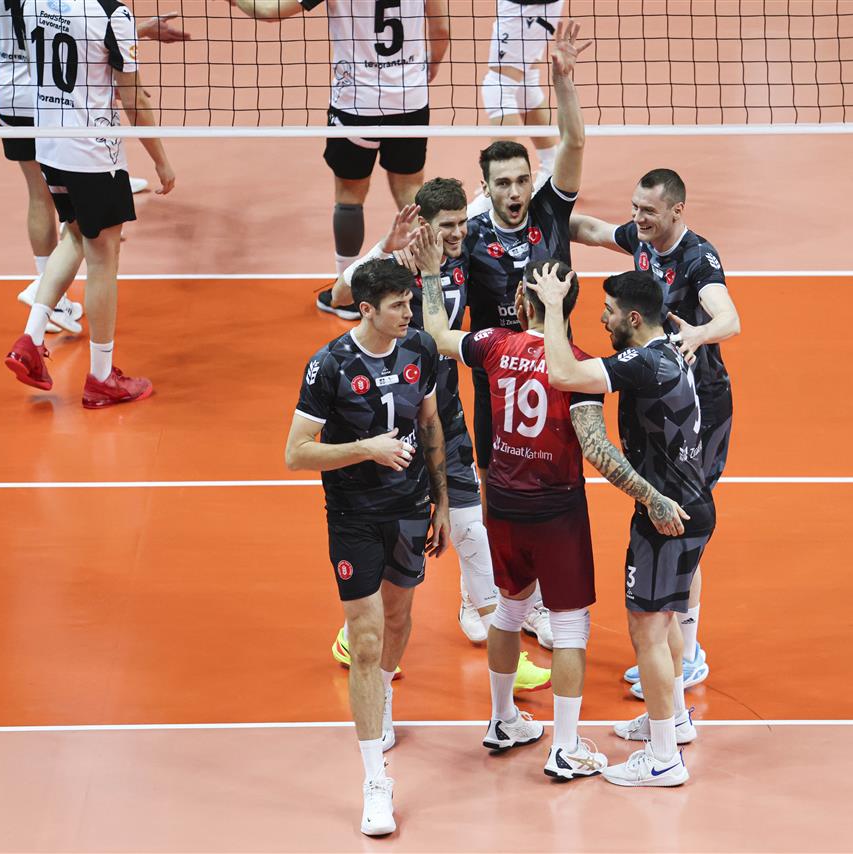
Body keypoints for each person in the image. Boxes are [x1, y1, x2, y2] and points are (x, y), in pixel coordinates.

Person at [327, 182, 550, 691]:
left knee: (471, 527)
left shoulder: (464, 251)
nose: (457, 233)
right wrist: (386, 246)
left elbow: (495, 205)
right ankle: (350, 634)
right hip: (392, 419)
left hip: (443, 410)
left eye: (462, 223)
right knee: (393, 548)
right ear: (424, 226)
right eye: (446, 225)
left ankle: (497, 642)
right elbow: (339, 295)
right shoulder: (399, 265)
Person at [285, 258, 451, 835]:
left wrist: (443, 502)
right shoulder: (329, 365)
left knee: (399, 618)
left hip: (409, 508)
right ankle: (375, 782)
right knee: (366, 636)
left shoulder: (420, 349)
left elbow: (430, 424)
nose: (409, 313)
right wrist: (367, 449)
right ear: (366, 310)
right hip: (353, 514)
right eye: (398, 305)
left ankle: (380, 696)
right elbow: (296, 453)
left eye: (410, 302)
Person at [531, 265, 710, 786]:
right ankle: (672, 722)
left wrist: (552, 308)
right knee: (667, 620)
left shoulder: (644, 363)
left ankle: (663, 759)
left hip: (666, 515)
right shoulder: (669, 349)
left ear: (633, 318)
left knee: (646, 630)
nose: (602, 319)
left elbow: (563, 374)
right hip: (693, 505)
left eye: (608, 312)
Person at [569, 168, 740, 696]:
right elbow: (591, 230)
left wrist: (699, 335)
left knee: (684, 515)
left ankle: (687, 654)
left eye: (648, 210)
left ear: (676, 212)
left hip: (699, 402)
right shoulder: (642, 240)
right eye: (635, 207)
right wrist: (538, 211)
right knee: (665, 511)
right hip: (656, 397)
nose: (637, 218)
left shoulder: (698, 257)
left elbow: (729, 318)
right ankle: (672, 646)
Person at [463, 19, 589, 645]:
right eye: (503, 183)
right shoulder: (469, 237)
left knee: (557, 487)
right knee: (497, 488)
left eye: (521, 179)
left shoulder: (550, 210)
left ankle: (534, 599)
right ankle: (492, 594)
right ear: (486, 187)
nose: (515, 192)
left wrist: (560, 81)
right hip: (498, 386)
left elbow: (574, 140)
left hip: (558, 372)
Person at [224, 0, 449, 321]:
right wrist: (432, 62)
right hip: (410, 98)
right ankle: (431, 290)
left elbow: (270, 11)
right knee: (411, 193)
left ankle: (346, 295)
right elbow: (441, 30)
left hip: (356, 104)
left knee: (349, 197)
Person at [3, 0, 176, 407]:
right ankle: (101, 378)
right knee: (103, 261)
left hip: (50, 148)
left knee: (75, 235)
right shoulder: (114, 16)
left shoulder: (30, 3)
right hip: (94, 156)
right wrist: (161, 160)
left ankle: (30, 338)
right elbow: (134, 101)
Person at [464, 0, 564, 218]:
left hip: (526, 5)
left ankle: (500, 184)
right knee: (524, 82)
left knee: (500, 85)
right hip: (534, 7)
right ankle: (553, 169)